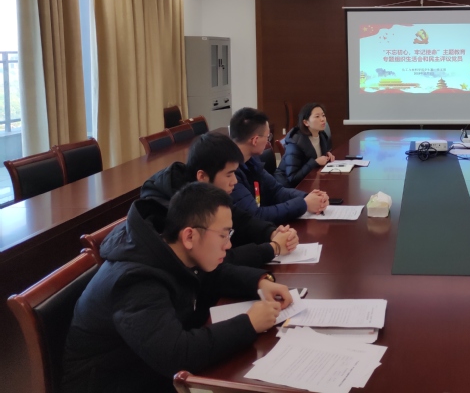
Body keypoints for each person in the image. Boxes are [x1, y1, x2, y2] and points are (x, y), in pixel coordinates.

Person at [61, 183, 294, 393]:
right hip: (115, 382)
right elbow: (177, 355)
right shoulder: (136, 281)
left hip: (146, 368)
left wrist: (259, 281)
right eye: (223, 235)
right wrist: (249, 323)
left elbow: (212, 275)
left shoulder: (168, 248)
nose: (229, 244)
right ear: (189, 236)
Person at [128, 131, 298, 267]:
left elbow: (239, 218)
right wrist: (272, 248)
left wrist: (272, 232)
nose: (235, 181)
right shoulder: (169, 208)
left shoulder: (205, 191)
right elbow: (215, 259)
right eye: (229, 174)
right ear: (202, 176)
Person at [229, 108, 329, 222]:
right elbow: (255, 216)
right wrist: (304, 204)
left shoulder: (251, 160)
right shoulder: (229, 172)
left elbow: (277, 191)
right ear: (255, 140)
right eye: (268, 137)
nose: (268, 141)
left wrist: (308, 197)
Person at [275, 102, 335, 187]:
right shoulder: (295, 143)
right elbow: (293, 178)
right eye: (317, 116)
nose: (322, 119)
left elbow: (314, 156)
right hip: (288, 187)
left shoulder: (322, 135)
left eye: (323, 115)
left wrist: (326, 155)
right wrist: (315, 162)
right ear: (306, 122)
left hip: (309, 181)